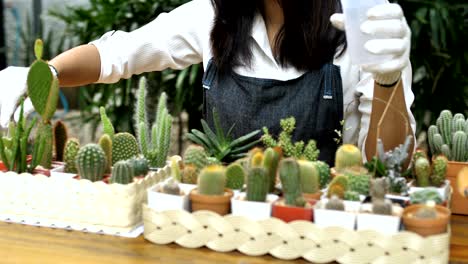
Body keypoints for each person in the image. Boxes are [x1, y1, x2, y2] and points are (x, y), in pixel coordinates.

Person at [0, 0, 415, 165]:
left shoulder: (367, 21)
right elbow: (118, 54)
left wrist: (388, 79)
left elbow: (388, 162)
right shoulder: (213, 15)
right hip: (216, 225)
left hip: (321, 229)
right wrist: (43, 73)